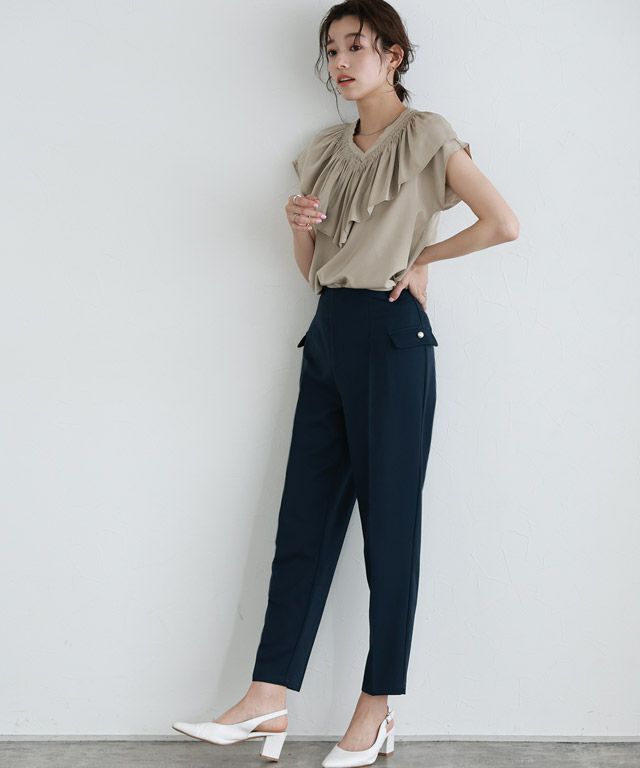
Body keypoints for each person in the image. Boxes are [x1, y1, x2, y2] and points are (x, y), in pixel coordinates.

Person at [172, 1, 519, 764]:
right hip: (328, 331)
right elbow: (313, 272)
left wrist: (423, 261)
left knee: (390, 529)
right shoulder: (324, 151)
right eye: (331, 49)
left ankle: (377, 706)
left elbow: (502, 222)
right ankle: (267, 696)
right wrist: (299, 227)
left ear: (394, 55)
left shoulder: (427, 136)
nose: (341, 61)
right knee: (303, 520)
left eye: (357, 46)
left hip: (393, 339)